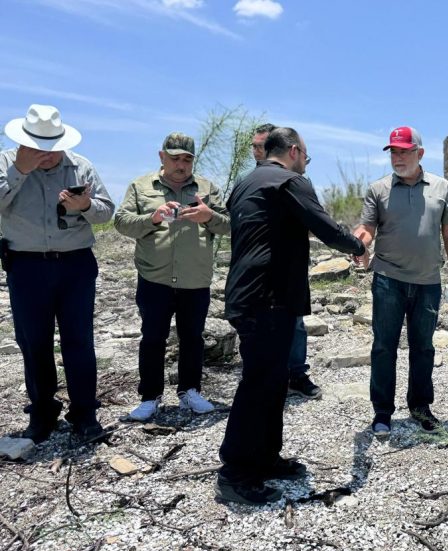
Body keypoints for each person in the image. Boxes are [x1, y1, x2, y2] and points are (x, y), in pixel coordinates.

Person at [218, 127, 365, 505]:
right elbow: (326, 228)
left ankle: (265, 457)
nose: (306, 165)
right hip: (267, 298)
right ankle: (235, 473)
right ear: (295, 151)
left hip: (252, 295)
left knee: (272, 380)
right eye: (307, 158)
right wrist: (358, 246)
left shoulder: (247, 181)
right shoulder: (289, 182)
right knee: (258, 383)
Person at [0, 104, 115, 441]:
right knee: (33, 342)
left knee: (79, 340)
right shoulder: (7, 163)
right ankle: (42, 413)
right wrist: (19, 171)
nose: (45, 155)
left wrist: (86, 207)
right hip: (26, 266)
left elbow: (106, 211)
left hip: (76, 265)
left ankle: (84, 414)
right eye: (38, 147)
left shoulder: (81, 166)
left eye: (51, 147)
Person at [353, 126, 448, 438]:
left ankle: (420, 407)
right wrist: (358, 244)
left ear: (420, 153)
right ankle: (382, 413)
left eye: (404, 151)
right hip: (388, 279)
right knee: (384, 347)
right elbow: (367, 227)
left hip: (428, 282)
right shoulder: (379, 189)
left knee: (423, 348)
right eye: (394, 152)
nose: (398, 157)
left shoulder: (442, 187)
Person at [114, 133, 230, 421]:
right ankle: (150, 397)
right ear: (162, 156)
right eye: (175, 158)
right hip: (155, 278)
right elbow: (121, 222)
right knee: (153, 338)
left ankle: (190, 391)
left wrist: (208, 216)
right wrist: (152, 218)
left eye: (187, 159)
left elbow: (230, 225)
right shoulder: (141, 187)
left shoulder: (207, 188)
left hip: (195, 279)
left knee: (193, 338)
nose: (181, 164)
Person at [249, 123, 321, 400]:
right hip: (258, 274)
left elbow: (314, 220)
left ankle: (296, 374)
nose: (258, 151)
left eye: (262, 146)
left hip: (289, 271)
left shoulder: (296, 181)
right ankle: (268, 377)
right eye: (254, 147)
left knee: (296, 323)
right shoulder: (247, 182)